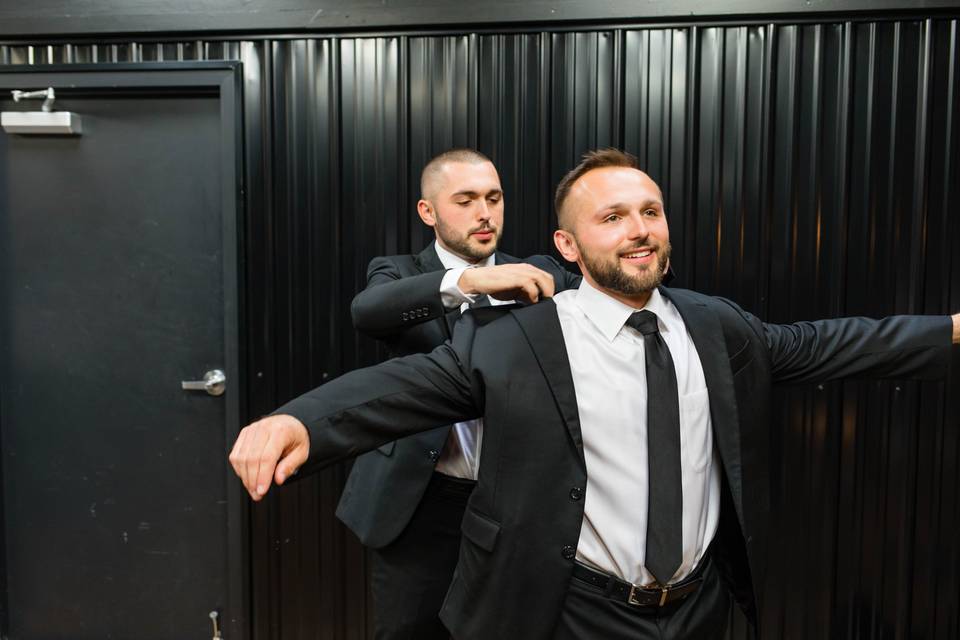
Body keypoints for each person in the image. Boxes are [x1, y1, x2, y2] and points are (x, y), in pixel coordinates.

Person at [230, 149, 959, 640]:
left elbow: (835, 341)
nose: (639, 230)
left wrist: (952, 332)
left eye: (650, 211)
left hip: (700, 606)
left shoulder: (718, 327)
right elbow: (410, 384)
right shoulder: (520, 337)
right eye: (612, 218)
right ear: (568, 246)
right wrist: (298, 420)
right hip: (576, 611)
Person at [338, 148, 580, 639]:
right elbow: (369, 311)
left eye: (493, 198)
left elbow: (611, 292)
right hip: (419, 501)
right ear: (428, 212)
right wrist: (468, 281)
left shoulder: (538, 272)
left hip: (512, 504)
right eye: (465, 200)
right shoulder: (399, 271)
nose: (485, 213)